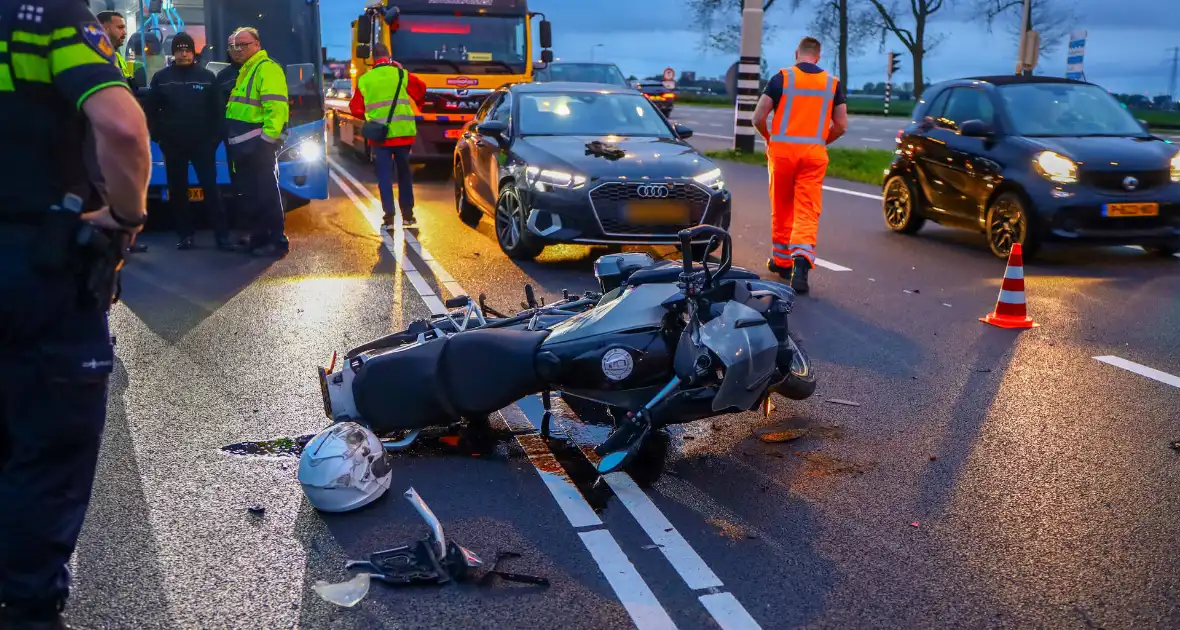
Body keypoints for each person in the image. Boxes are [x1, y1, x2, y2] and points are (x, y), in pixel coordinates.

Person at [0, 2, 150, 629]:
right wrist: (126, 217)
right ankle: (27, 605)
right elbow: (122, 128)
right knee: (50, 442)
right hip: (30, 262)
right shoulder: (42, 17)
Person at [753, 36, 848, 294]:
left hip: (782, 153)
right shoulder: (832, 83)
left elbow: (758, 117)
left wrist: (769, 138)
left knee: (782, 206)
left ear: (797, 53)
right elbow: (841, 124)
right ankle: (801, 266)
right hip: (813, 155)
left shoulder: (781, 78)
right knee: (807, 209)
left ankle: (782, 262)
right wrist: (820, 141)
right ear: (818, 56)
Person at [146, 32, 230, 251]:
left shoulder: (206, 77)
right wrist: (160, 139)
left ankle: (222, 236)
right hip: (173, 146)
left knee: (212, 191)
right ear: (173, 52)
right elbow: (150, 113)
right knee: (178, 192)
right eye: (179, 50)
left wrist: (213, 142)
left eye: (187, 50)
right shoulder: (162, 78)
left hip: (203, 145)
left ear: (193, 52)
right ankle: (185, 236)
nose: (183, 54)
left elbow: (218, 113)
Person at [224, 26, 289, 257]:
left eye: (243, 44)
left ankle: (276, 241)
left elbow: (277, 108)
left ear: (257, 45)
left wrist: (266, 142)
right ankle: (260, 238)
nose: (237, 49)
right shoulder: (248, 70)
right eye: (234, 46)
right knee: (253, 195)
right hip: (247, 146)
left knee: (266, 194)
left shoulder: (266, 69)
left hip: (258, 146)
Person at [350, 42, 426, 229]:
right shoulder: (400, 74)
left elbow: (355, 108)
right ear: (389, 56)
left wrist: (371, 116)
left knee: (384, 175)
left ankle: (389, 217)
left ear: (372, 59)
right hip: (403, 134)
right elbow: (421, 89)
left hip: (380, 137)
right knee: (404, 174)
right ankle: (408, 216)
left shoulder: (365, 80)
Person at [96, 11, 133, 85]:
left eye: (124, 28)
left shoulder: (118, 57)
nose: (125, 32)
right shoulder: (94, 59)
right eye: (120, 27)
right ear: (103, 29)